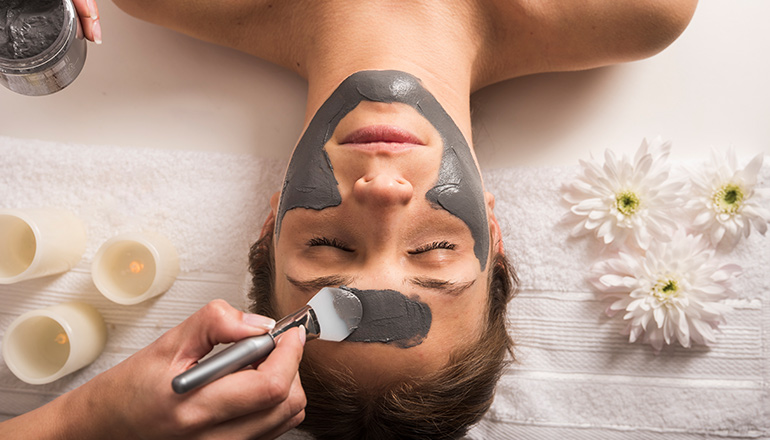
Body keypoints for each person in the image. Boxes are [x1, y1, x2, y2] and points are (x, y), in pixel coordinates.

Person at [0, 0, 699, 439]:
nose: (383, 194)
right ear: (494, 229)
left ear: (271, 223)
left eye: (331, 245)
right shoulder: (631, 10)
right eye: (433, 249)